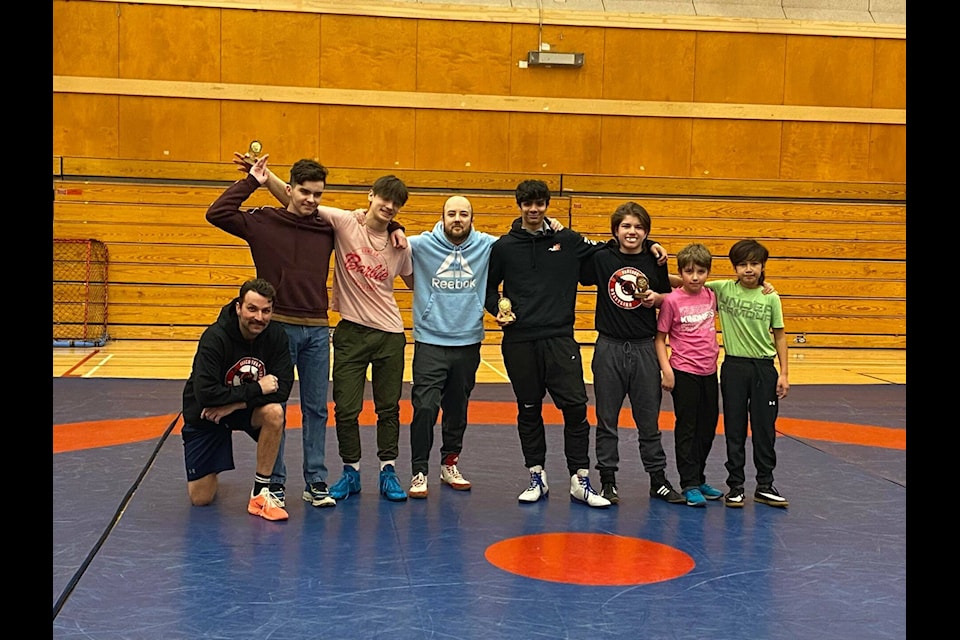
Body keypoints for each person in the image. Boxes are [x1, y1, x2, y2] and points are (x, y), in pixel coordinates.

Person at [209, 152, 404, 510]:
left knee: (317, 409)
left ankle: (315, 481)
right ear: (290, 189)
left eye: (317, 194)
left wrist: (395, 226)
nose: (311, 200)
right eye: (304, 192)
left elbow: (371, 221)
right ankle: (277, 482)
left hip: (316, 329)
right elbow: (216, 213)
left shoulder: (325, 225)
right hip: (278, 328)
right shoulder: (264, 221)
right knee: (277, 407)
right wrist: (254, 180)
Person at [484, 180, 666, 508]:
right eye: (528, 204)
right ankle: (536, 475)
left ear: (547, 204)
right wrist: (496, 309)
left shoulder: (567, 241)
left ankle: (579, 479)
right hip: (519, 340)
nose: (534, 209)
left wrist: (651, 244)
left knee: (576, 409)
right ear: (519, 206)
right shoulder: (504, 247)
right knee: (528, 409)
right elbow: (488, 287)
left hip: (560, 339)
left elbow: (613, 248)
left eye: (540, 203)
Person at [310, 173, 415, 502]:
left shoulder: (400, 245)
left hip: (390, 335)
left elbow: (415, 284)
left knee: (389, 408)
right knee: (346, 408)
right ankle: (351, 471)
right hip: (351, 332)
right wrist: (262, 176)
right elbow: (299, 200)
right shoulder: (344, 223)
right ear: (370, 195)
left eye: (396, 203)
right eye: (385, 198)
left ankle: (388, 470)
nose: (389, 206)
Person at [580, 202, 684, 506]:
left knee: (649, 420)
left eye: (639, 227)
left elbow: (669, 297)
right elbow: (582, 253)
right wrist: (652, 244)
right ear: (616, 230)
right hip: (609, 346)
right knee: (606, 419)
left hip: (644, 347)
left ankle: (658, 479)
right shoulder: (602, 258)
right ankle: (608, 481)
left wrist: (658, 297)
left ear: (646, 232)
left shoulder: (656, 261)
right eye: (626, 226)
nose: (632, 232)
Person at [180, 278, 294, 521]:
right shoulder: (215, 337)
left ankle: (260, 494)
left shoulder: (276, 336)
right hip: (207, 413)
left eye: (266, 311)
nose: (259, 317)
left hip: (238, 408)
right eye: (252, 309)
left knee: (275, 413)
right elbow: (206, 394)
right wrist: (257, 389)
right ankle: (211, 470)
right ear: (238, 307)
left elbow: (282, 389)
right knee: (201, 499)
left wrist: (235, 404)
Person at [705, 239, 790, 508]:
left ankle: (765, 485)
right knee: (735, 427)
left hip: (764, 369)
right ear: (734, 268)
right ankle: (736, 486)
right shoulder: (723, 289)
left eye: (754, 264)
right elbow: (687, 282)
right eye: (742, 265)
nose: (749, 269)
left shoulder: (771, 297)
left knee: (765, 429)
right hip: (734, 367)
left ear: (763, 266)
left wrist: (784, 373)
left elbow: (780, 336)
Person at [655, 243, 725, 507]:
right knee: (687, 428)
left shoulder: (711, 295)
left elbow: (740, 285)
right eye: (689, 271)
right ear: (681, 273)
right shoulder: (672, 300)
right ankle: (689, 483)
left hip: (709, 371)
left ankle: (699, 475)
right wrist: (667, 370)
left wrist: (767, 286)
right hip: (684, 372)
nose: (695, 277)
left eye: (701, 271)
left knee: (707, 428)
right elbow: (660, 338)